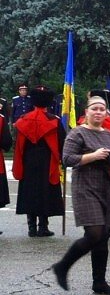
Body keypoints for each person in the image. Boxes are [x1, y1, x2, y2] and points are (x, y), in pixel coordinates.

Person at [52, 96, 110, 295]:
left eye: (102, 109)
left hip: (105, 187)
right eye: (95, 109)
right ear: (87, 111)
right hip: (85, 188)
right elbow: (66, 159)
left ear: (106, 113)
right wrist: (93, 155)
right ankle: (62, 266)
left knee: (103, 237)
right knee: (94, 233)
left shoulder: (109, 134)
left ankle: (99, 282)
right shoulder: (77, 133)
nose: (99, 112)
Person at [12, 86, 64, 236]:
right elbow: (61, 141)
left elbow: (18, 144)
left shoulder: (23, 120)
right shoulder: (54, 121)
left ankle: (31, 227)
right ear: (48, 103)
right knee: (44, 191)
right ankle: (43, 227)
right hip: (47, 161)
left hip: (28, 160)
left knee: (30, 191)